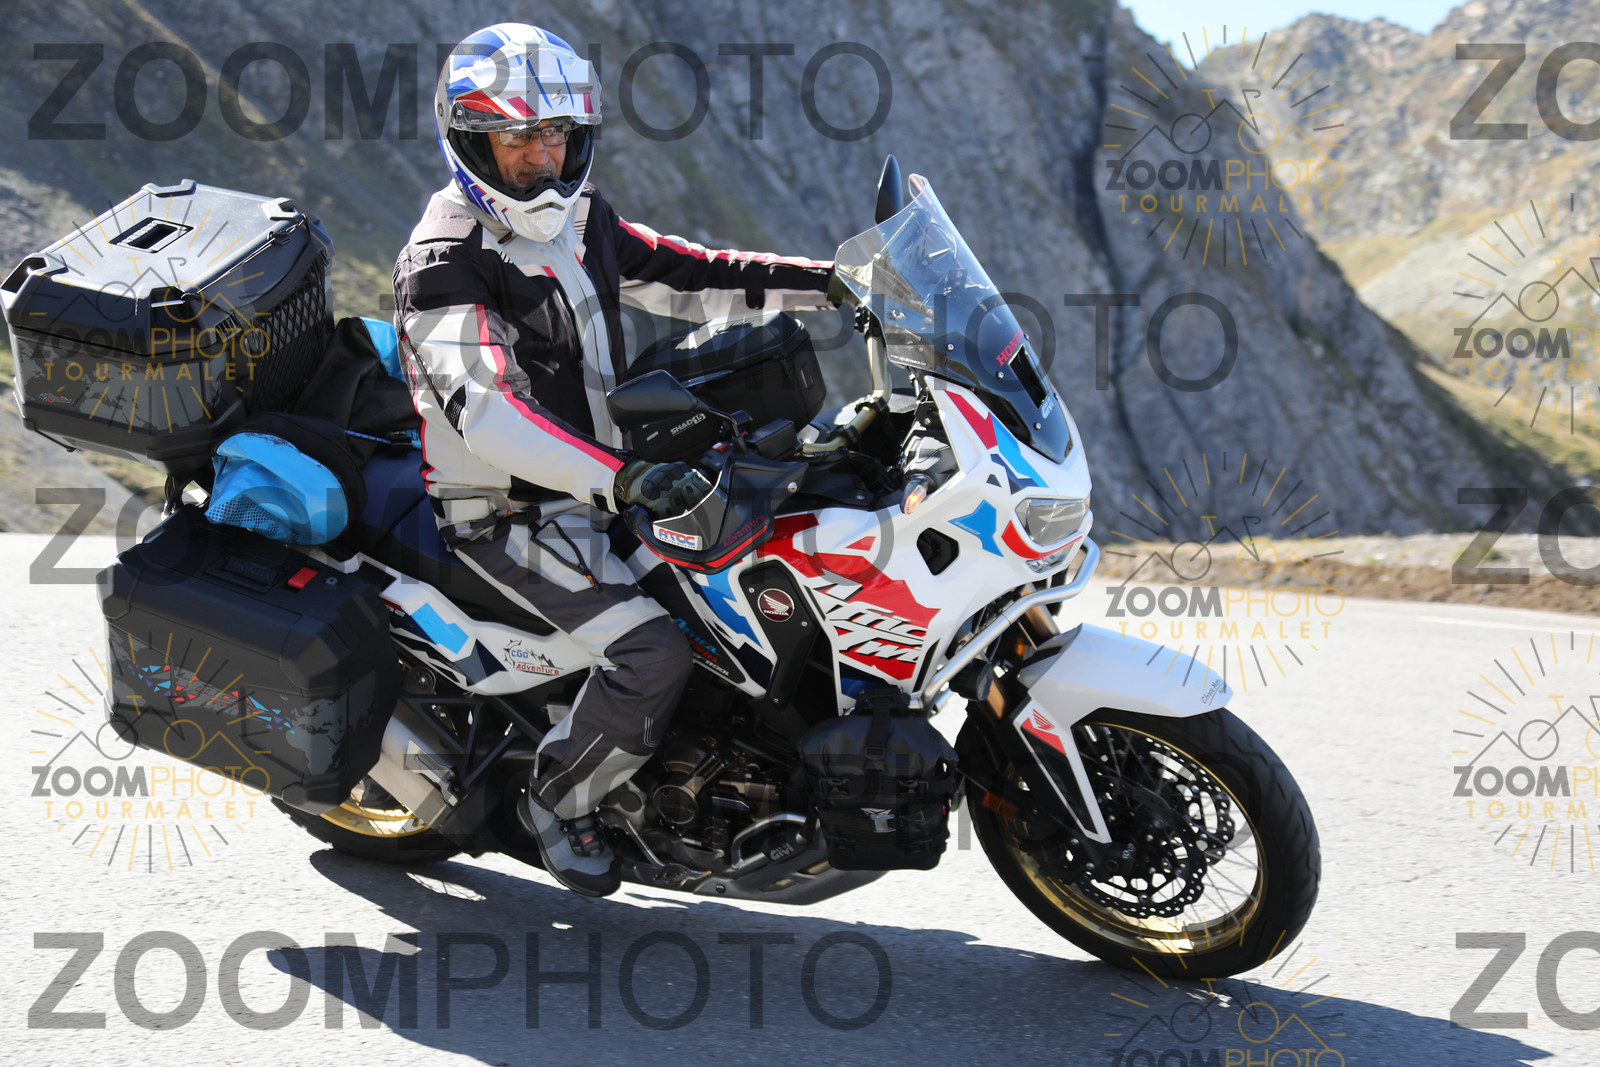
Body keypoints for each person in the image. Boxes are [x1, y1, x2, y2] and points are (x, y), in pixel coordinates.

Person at [393, 23, 836, 896]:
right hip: (508, 512)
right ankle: (557, 798)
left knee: (754, 579)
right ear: (471, 142)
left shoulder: (581, 216)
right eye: (519, 138)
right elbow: (492, 412)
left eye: (558, 133)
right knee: (651, 654)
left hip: (604, 484)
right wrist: (622, 477)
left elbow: (691, 275)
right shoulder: (445, 262)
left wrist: (830, 284)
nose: (544, 157)